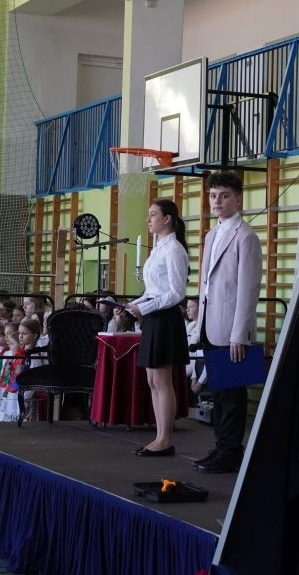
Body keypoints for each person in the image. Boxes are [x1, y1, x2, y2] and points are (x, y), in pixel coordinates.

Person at [193, 171, 262, 473]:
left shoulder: (246, 236)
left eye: (224, 196)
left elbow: (248, 289)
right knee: (218, 393)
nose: (217, 201)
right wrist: (198, 325)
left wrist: (240, 333)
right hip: (211, 324)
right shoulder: (211, 234)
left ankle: (231, 451)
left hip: (231, 329)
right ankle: (221, 446)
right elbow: (206, 285)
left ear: (238, 199)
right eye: (213, 195)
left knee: (232, 394)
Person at [125, 199, 190, 457]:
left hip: (165, 319)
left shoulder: (174, 250)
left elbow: (176, 293)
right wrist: (135, 304)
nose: (148, 219)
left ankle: (165, 439)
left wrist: (146, 308)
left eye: (153, 215)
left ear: (167, 219)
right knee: (153, 380)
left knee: (162, 381)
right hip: (154, 317)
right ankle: (159, 436)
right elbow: (153, 290)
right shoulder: (158, 249)